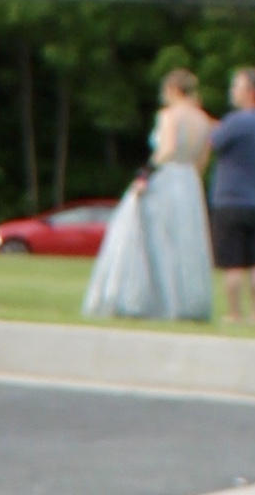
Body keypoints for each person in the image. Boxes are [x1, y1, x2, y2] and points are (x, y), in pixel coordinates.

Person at [83, 64, 217, 323]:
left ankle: (154, 300)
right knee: (185, 241)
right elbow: (202, 160)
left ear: (173, 89)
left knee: (156, 238)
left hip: (167, 177)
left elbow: (167, 148)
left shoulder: (170, 115)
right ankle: (184, 301)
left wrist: (145, 173)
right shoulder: (204, 120)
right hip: (189, 181)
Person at [207, 65, 255, 330]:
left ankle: (235, 314)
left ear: (251, 92)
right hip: (254, 201)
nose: (232, 90)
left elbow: (214, 140)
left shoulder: (237, 120)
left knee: (232, 262)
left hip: (230, 199)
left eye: (237, 86)